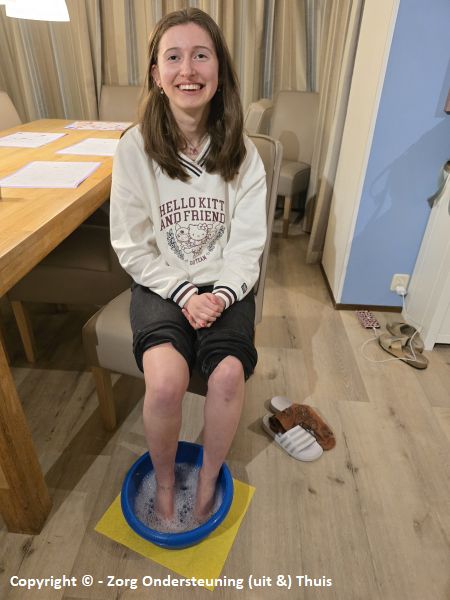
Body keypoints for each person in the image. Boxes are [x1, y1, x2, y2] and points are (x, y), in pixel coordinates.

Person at [110, 7, 267, 523]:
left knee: (227, 377)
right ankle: (164, 480)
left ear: (219, 69)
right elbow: (131, 244)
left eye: (201, 55)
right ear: (156, 75)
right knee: (164, 383)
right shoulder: (134, 148)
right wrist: (182, 293)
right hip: (161, 282)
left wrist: (220, 294)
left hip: (224, 285)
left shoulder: (243, 153)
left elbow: (248, 244)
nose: (188, 70)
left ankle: (206, 478)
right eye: (173, 58)